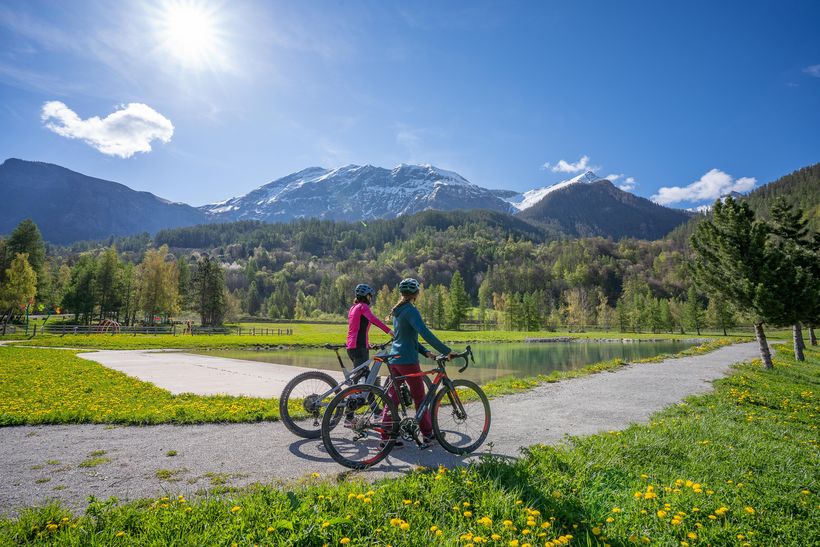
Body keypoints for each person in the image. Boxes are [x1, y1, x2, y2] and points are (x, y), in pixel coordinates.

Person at [382, 278, 457, 447]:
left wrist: (426, 352)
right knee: (420, 398)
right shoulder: (411, 310)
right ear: (416, 294)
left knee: (392, 398)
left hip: (395, 359)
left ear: (402, 294)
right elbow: (425, 333)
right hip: (408, 360)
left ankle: (386, 437)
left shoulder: (398, 310)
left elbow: (406, 337)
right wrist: (447, 351)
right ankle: (428, 435)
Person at [346, 284, 393, 373]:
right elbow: (373, 319)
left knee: (362, 375)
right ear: (367, 296)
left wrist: (367, 344)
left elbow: (356, 329)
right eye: (370, 296)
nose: (370, 298)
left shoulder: (353, 308)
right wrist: (390, 331)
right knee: (362, 377)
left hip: (351, 347)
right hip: (359, 347)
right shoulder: (363, 306)